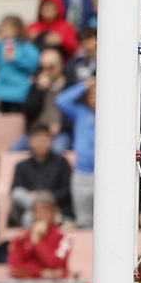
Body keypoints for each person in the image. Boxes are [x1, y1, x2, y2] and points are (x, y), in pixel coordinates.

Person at [9, 123, 73, 226]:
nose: (40, 144)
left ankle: (41, 207)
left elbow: (67, 190)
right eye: (37, 140)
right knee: (20, 198)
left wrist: (45, 197)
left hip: (55, 207)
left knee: (43, 214)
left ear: (50, 141)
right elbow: (16, 191)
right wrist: (36, 201)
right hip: (30, 209)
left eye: (43, 140)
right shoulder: (22, 166)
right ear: (30, 142)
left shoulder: (61, 162)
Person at [56, 79, 97, 229]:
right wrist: (84, 85)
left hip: (103, 173)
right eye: (92, 95)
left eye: (98, 95)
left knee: (104, 219)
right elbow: (61, 100)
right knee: (83, 220)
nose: (95, 99)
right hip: (81, 172)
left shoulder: (111, 116)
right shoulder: (80, 112)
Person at [7, 191, 71, 279]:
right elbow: (14, 267)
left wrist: (37, 242)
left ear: (53, 214)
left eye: (45, 212)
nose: (41, 216)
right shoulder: (21, 238)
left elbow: (55, 264)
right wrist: (40, 272)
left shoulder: (63, 238)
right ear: (32, 214)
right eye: (38, 212)